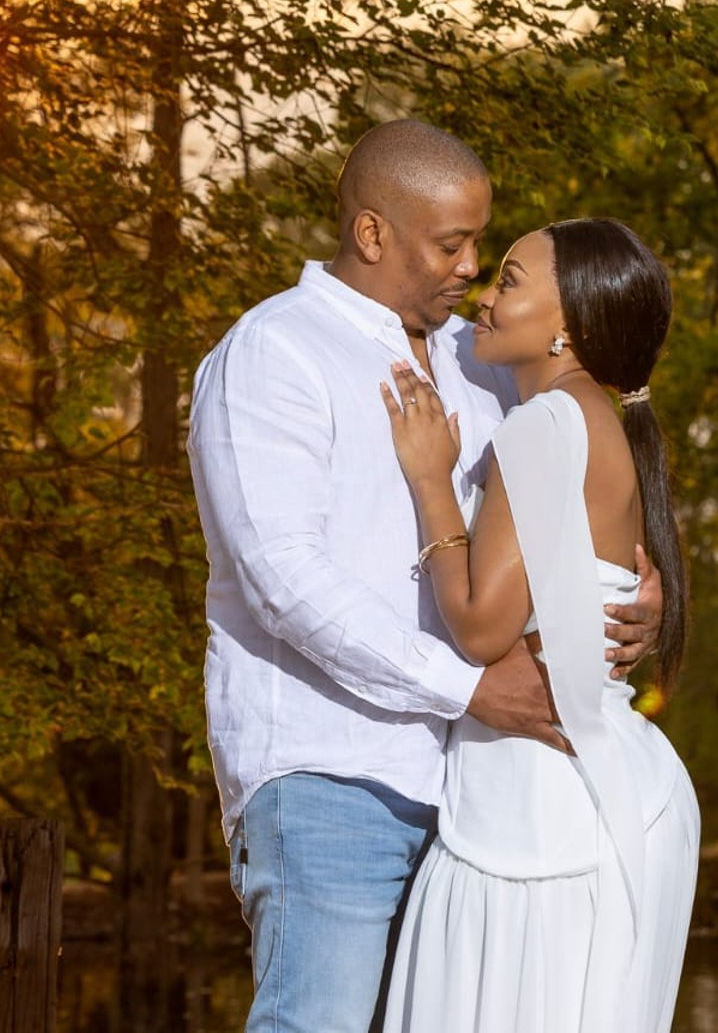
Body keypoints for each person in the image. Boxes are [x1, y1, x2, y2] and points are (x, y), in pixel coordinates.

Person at [186, 120, 665, 1033]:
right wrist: (469, 687)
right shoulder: (276, 353)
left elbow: (563, 508)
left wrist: (631, 596)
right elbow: (284, 581)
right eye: (452, 244)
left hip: (476, 793)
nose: (472, 268)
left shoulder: (478, 366)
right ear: (372, 233)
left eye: (481, 244)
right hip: (333, 778)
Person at [377, 217, 700, 1033]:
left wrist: (432, 481)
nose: (485, 296)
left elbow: (482, 628)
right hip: (591, 797)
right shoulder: (595, 418)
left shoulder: (546, 423)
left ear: (571, 323)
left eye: (510, 280)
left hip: (549, 820)